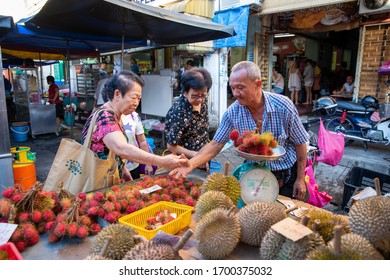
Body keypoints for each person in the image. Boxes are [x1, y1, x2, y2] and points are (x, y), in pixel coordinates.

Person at [170, 61, 309, 201]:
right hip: (252, 172)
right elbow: (215, 145)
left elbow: (300, 142)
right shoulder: (232, 112)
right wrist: (192, 164)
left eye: (240, 88)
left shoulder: (283, 106)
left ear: (258, 85)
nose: (235, 94)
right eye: (232, 88)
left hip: (286, 174)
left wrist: (300, 178)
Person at [81, 70, 187, 182]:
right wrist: (162, 161)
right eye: (133, 97)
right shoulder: (105, 117)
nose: (136, 103)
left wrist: (123, 169)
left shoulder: (115, 115)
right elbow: (121, 148)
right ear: (117, 94)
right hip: (96, 182)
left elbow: (113, 150)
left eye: (139, 98)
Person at [165, 67, 212, 170]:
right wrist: (196, 155)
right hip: (184, 162)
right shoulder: (179, 111)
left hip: (202, 157)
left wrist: (203, 155)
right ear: (185, 92)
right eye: (195, 96)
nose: (200, 99)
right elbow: (171, 146)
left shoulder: (202, 102)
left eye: (203, 95)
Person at [121, 112, 154, 180]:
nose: (136, 102)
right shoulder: (107, 117)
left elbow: (142, 141)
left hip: (133, 164)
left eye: (138, 100)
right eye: (133, 100)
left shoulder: (134, 115)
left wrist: (148, 164)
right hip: (115, 169)